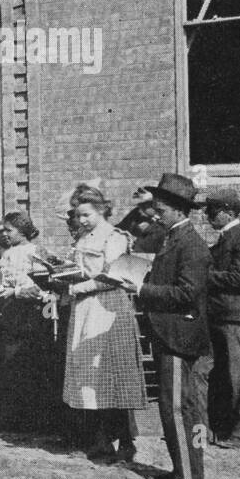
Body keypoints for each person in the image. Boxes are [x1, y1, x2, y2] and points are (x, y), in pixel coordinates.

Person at [125, 174, 214, 479]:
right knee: (171, 405)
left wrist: (141, 288)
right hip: (170, 332)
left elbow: (187, 293)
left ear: (178, 210)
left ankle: (189, 476)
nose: (155, 214)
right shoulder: (174, 238)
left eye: (160, 209)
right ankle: (181, 469)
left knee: (178, 408)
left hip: (179, 335)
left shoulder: (191, 245)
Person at [60, 187, 147, 463]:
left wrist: (77, 288)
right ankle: (99, 439)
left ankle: (125, 441)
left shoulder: (115, 237)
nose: (81, 220)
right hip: (86, 310)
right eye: (78, 216)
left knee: (112, 373)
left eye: (86, 214)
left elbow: (115, 275)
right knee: (88, 373)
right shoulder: (84, 238)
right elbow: (79, 269)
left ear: (102, 210)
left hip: (109, 311)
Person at [0, 212, 56, 431]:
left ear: (23, 231)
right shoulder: (10, 254)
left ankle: (27, 421)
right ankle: (10, 418)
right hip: (8, 316)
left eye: (10, 230)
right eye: (4, 230)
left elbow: (40, 288)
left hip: (27, 316)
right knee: (7, 367)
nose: (5, 234)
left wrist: (13, 292)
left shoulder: (35, 252)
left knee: (23, 366)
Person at [204, 187, 240, 449]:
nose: (209, 216)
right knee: (223, 375)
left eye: (212, 212)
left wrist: (204, 276)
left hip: (235, 317)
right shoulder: (226, 239)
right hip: (220, 315)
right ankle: (222, 427)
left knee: (239, 375)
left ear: (228, 212)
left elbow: (239, 279)